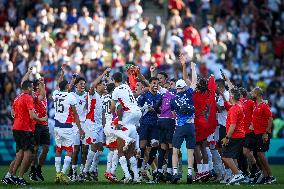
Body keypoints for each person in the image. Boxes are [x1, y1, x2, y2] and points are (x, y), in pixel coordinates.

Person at [2, 80, 47, 186]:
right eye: (32, 87)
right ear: (28, 88)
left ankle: (9, 175)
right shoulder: (28, 98)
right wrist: (41, 119)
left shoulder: (18, 97)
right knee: (29, 154)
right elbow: (32, 115)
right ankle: (20, 178)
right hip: (24, 129)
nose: (33, 89)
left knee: (19, 154)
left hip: (16, 128)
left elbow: (12, 113)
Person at [111, 72, 142, 183]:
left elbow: (117, 108)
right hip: (137, 114)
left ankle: (128, 175)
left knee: (119, 148)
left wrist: (117, 119)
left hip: (129, 114)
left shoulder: (116, 91)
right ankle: (137, 177)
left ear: (114, 80)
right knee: (130, 153)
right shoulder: (127, 87)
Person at [170, 56, 197, 184]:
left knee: (175, 151)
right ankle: (190, 173)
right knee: (190, 152)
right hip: (191, 126)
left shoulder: (173, 99)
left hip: (180, 127)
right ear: (185, 87)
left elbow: (173, 113)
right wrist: (191, 67)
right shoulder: (190, 93)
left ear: (176, 88)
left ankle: (175, 173)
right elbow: (194, 81)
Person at [53, 76, 84, 184]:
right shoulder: (70, 96)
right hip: (67, 126)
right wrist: (80, 129)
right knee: (69, 150)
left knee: (58, 149)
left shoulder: (55, 94)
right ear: (67, 86)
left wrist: (61, 75)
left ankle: (57, 173)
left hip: (57, 126)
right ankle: (62, 173)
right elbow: (75, 114)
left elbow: (58, 85)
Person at [20, 67, 50, 182]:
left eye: (40, 84)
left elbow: (43, 94)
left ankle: (38, 169)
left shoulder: (44, 94)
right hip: (36, 124)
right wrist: (28, 72)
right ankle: (32, 169)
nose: (38, 86)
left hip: (45, 125)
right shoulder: (33, 96)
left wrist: (42, 84)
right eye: (36, 85)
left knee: (46, 148)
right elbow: (23, 83)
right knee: (36, 149)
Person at [83, 68, 110, 181]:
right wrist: (103, 73)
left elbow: (103, 114)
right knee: (93, 147)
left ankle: (93, 169)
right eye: (102, 85)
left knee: (100, 148)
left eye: (105, 85)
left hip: (99, 125)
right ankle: (85, 171)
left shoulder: (103, 98)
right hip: (91, 124)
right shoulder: (93, 94)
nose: (104, 86)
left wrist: (104, 127)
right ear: (97, 86)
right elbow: (92, 85)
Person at [137, 77, 162, 179]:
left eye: (157, 83)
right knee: (142, 146)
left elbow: (161, 111)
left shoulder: (160, 97)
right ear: (150, 85)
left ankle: (146, 167)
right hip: (144, 124)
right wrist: (144, 109)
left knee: (155, 145)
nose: (155, 85)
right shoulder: (144, 96)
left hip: (155, 124)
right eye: (154, 83)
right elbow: (137, 108)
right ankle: (138, 170)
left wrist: (155, 110)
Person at [251, 87, 276, 184]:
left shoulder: (264, 105)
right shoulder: (256, 105)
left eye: (253, 92)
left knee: (260, 154)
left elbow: (270, 119)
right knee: (258, 154)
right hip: (257, 133)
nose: (251, 94)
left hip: (263, 133)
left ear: (257, 94)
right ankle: (265, 175)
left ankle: (270, 176)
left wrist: (266, 133)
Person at [221, 88, 245, 185]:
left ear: (232, 97)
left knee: (225, 156)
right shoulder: (239, 106)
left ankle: (237, 174)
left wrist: (227, 137)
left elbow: (233, 125)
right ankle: (236, 179)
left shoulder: (234, 108)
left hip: (235, 136)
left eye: (230, 94)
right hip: (239, 135)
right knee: (232, 157)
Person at [69, 75, 88, 182]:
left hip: (85, 125)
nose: (83, 86)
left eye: (84, 84)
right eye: (81, 84)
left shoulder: (87, 95)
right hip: (75, 126)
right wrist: (72, 81)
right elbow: (65, 90)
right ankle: (73, 173)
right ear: (76, 85)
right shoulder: (72, 95)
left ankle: (82, 173)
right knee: (75, 150)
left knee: (84, 150)